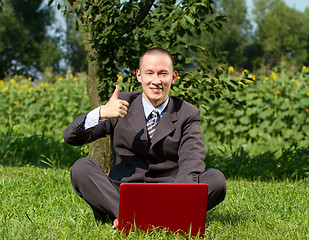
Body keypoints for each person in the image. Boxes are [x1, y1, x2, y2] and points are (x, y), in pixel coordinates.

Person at [63, 47, 226, 229]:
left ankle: (141, 219)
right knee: (81, 168)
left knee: (216, 179)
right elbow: (71, 137)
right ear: (139, 75)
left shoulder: (187, 113)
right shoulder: (120, 105)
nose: (156, 81)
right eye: (150, 73)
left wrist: (179, 198)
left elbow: (191, 161)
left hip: (169, 194)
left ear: (173, 77)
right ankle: (139, 215)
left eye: (163, 73)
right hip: (120, 194)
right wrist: (101, 113)